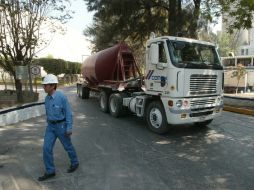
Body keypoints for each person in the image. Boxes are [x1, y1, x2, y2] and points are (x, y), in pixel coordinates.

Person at [38, 74, 79, 181]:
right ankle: (50, 171)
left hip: (61, 126)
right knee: (46, 148)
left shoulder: (61, 97)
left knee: (67, 146)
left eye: (46, 85)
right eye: (44, 85)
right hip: (51, 127)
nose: (44, 87)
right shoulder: (47, 98)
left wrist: (69, 127)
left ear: (52, 86)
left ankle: (75, 162)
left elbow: (68, 113)